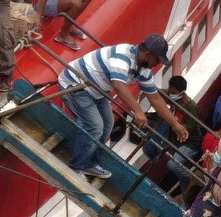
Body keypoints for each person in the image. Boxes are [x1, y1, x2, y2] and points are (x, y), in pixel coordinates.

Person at [55, 35, 185, 180]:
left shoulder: (143, 70)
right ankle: (75, 168)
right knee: (95, 126)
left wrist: (175, 124)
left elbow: (155, 98)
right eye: (157, 60)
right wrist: (138, 111)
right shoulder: (122, 55)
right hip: (75, 85)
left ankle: (89, 163)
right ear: (148, 55)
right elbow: (118, 85)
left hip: (97, 90)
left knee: (108, 124)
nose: (157, 64)